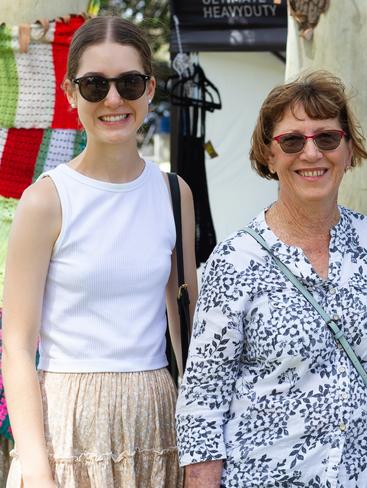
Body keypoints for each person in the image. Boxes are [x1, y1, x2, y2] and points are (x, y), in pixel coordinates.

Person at [176, 70, 367, 487]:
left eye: (327, 138)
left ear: (348, 148)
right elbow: (202, 405)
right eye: (292, 140)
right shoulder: (235, 260)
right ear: (269, 155)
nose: (311, 153)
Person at [1, 16, 197, 488]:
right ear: (71, 93)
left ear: (150, 89)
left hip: (155, 421)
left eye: (129, 83)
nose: (113, 100)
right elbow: (17, 346)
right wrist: (38, 470)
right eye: (94, 85)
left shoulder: (174, 193)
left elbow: (184, 328)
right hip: (65, 430)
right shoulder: (46, 200)